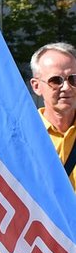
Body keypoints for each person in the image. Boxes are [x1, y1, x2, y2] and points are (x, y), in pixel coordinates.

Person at [30, 42, 76, 190]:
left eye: (73, 79)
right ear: (36, 86)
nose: (67, 87)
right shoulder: (22, 136)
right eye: (56, 80)